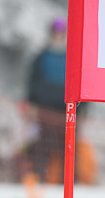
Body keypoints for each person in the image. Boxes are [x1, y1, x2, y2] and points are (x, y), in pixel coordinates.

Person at [25, 17, 68, 182]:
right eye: (55, 33)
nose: (58, 36)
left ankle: (66, 182)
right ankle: (40, 179)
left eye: (61, 33)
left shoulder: (72, 56)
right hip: (45, 110)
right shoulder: (41, 57)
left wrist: (82, 108)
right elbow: (32, 82)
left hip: (67, 110)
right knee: (44, 147)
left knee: (68, 149)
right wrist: (32, 104)